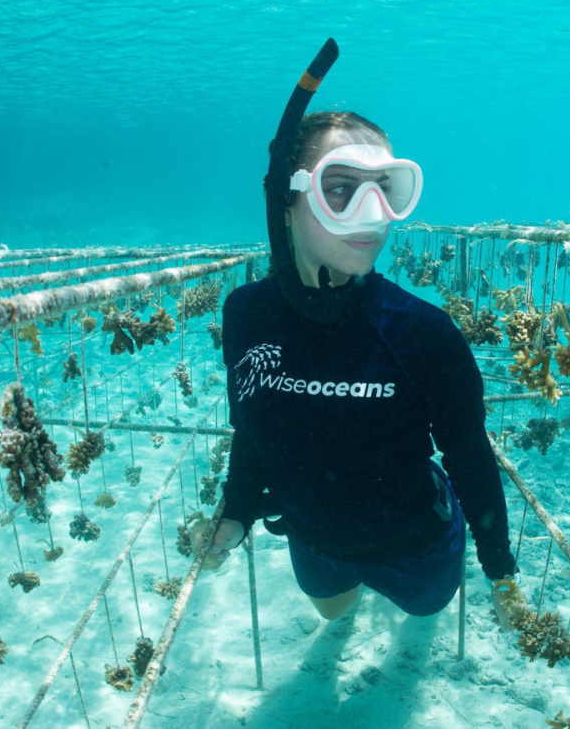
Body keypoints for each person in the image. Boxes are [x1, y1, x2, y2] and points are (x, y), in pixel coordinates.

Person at [193, 44, 520, 627]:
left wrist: (499, 570)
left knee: (425, 612)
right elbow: (253, 426)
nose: (373, 214)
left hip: (418, 546)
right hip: (313, 544)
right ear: (284, 199)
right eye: (341, 188)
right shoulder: (246, 313)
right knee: (333, 616)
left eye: (387, 188)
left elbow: (470, 454)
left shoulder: (424, 332)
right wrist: (237, 513)